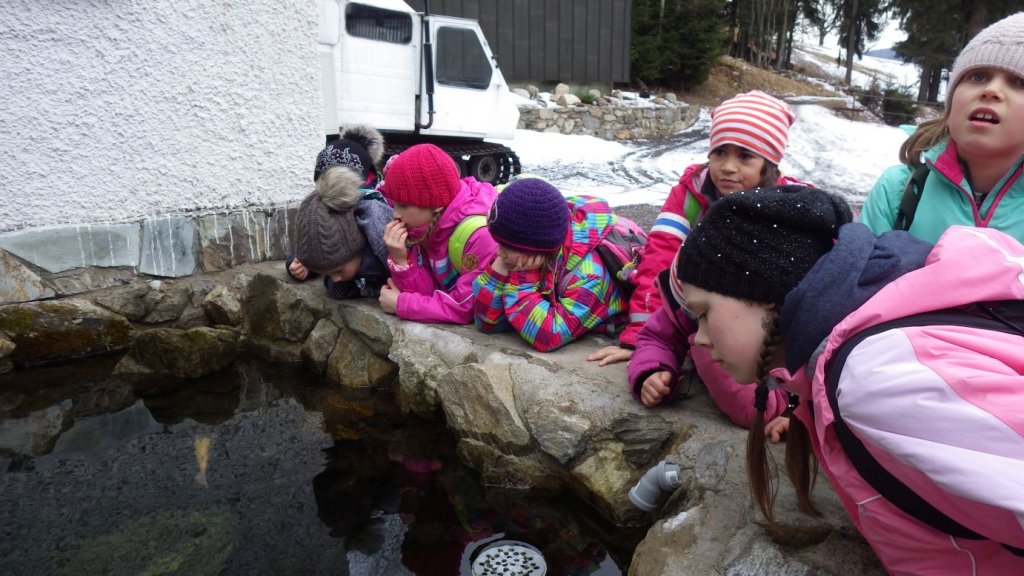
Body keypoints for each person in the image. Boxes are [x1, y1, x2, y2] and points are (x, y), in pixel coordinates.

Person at [674, 184, 1024, 574]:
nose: (699, 338)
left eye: (704, 313)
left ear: (763, 291)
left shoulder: (876, 380)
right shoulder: (842, 362)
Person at [590, 90, 809, 366]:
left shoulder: (787, 208)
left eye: (744, 156)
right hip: (689, 311)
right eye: (720, 152)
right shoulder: (690, 196)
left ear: (769, 164)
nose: (728, 167)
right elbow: (659, 258)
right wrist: (639, 337)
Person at [860, 12, 1024, 244]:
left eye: (1020, 82)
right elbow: (857, 266)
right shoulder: (898, 190)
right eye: (978, 77)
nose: (991, 90)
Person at [626, 245, 791, 431]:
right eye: (697, 318)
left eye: (705, 315)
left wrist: (797, 416)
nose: (699, 339)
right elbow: (656, 338)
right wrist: (650, 371)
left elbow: (754, 410)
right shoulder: (681, 303)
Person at [472, 178, 627, 352]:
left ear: (533, 248)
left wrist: (523, 282)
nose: (499, 252)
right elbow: (487, 322)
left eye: (505, 246)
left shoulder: (589, 275)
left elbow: (549, 336)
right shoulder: (524, 253)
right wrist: (500, 270)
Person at [377, 143, 499, 323]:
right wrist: (401, 260)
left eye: (402, 205)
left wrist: (402, 304)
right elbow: (427, 293)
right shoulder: (426, 225)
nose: (395, 213)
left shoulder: (480, 236)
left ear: (436, 205)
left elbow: (467, 306)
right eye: (394, 203)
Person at [289, 125, 392, 298]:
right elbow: (316, 245)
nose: (335, 278)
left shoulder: (372, 213)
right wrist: (302, 265)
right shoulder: (321, 207)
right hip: (357, 272)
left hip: (380, 277)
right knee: (336, 287)